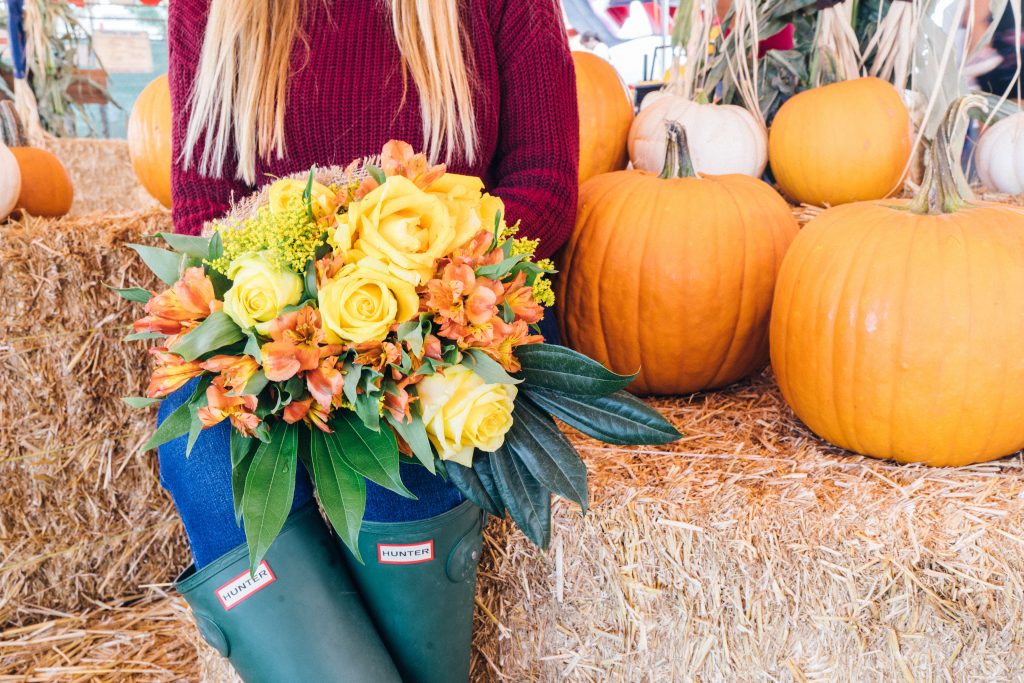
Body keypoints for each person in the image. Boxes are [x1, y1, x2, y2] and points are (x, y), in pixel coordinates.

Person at [161, 1, 578, 681]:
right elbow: (201, 211)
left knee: (399, 465)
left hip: (443, 314)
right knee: (206, 465)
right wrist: (307, 311)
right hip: (274, 326)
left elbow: (546, 184)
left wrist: (422, 285)